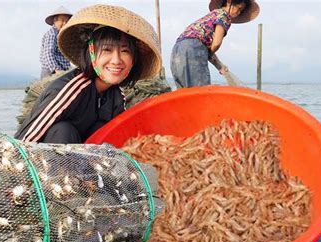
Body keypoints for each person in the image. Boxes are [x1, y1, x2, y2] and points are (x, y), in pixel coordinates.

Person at [15, 4, 161, 144]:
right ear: (91, 54)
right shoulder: (69, 89)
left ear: (133, 60)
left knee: (105, 130)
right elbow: (25, 141)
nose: (116, 60)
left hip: (85, 163)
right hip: (47, 161)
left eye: (125, 51)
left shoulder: (117, 96)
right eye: (107, 50)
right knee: (63, 130)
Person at [170, 0, 260, 88]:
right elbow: (216, 44)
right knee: (200, 94)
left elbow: (205, 48)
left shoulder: (213, 15)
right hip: (192, 50)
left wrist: (219, 66)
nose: (239, 13)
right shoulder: (224, 16)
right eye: (239, 8)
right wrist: (210, 54)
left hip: (177, 51)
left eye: (241, 11)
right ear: (229, 2)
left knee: (185, 96)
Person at [39, 6, 73, 79]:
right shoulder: (52, 34)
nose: (65, 23)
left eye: (67, 21)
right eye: (62, 20)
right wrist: (56, 69)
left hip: (63, 70)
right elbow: (48, 53)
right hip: (51, 71)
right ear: (55, 21)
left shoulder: (62, 35)